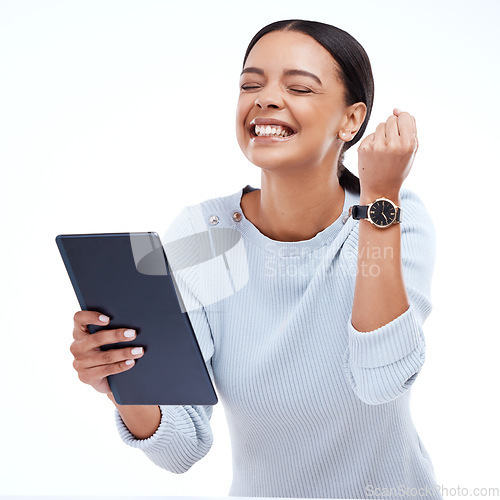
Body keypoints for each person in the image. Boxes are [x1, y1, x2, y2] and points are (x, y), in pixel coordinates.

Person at [70, 19, 441, 499]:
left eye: (299, 86)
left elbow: (382, 378)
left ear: (351, 120)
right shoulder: (205, 235)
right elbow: (180, 448)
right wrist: (122, 381)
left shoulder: (393, 217)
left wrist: (380, 198)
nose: (264, 98)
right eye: (250, 84)